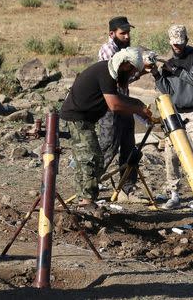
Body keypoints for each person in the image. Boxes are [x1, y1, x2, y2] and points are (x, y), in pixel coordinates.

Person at [60, 47, 152, 207]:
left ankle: (84, 199)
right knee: (91, 158)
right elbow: (114, 104)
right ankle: (86, 202)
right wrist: (138, 109)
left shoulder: (110, 71)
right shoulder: (106, 73)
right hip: (77, 117)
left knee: (91, 158)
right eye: (131, 72)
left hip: (84, 118)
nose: (131, 76)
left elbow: (117, 97)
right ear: (125, 65)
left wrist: (138, 104)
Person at [150, 24, 193, 209]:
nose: (177, 46)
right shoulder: (168, 64)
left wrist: (175, 70)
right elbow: (166, 91)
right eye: (174, 43)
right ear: (170, 42)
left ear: (186, 40)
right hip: (175, 113)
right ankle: (174, 193)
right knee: (171, 155)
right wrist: (156, 74)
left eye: (180, 43)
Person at [97, 16, 138, 194]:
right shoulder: (108, 50)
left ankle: (127, 188)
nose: (127, 36)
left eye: (128, 33)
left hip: (124, 104)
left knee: (129, 147)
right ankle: (90, 187)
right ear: (112, 33)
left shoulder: (124, 49)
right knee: (108, 147)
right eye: (123, 33)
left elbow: (127, 76)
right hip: (110, 106)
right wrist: (139, 69)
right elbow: (119, 76)